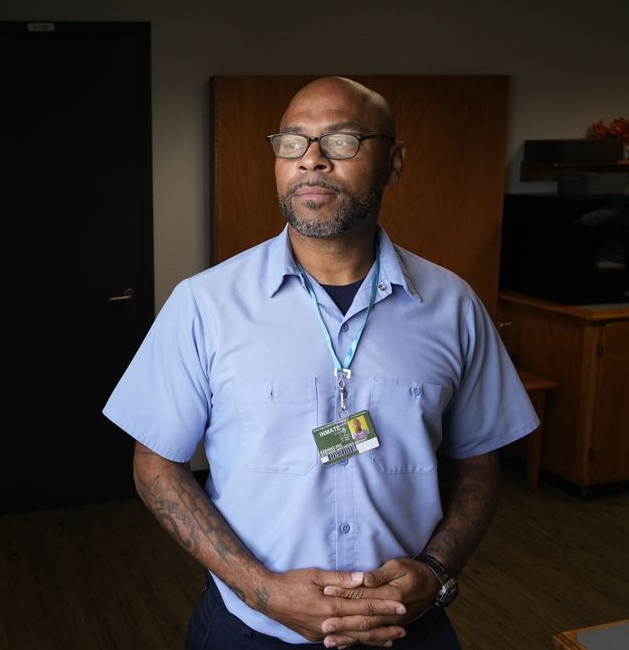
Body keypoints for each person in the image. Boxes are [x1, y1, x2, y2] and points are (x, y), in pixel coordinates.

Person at [102, 77, 538, 649]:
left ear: (394, 161)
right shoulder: (205, 305)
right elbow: (155, 464)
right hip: (251, 630)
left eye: (341, 140)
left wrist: (436, 571)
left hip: (409, 629)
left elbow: (479, 464)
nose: (311, 159)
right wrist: (260, 589)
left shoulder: (452, 306)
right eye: (292, 141)